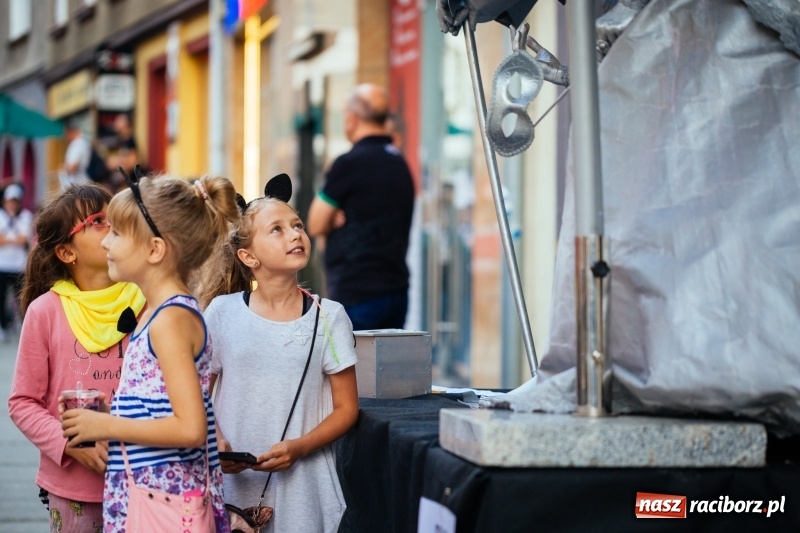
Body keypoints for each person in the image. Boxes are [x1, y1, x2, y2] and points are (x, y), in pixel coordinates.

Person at [60, 170, 240, 532]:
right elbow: (164, 407)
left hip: (166, 508)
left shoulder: (171, 320)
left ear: (155, 250)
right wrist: (115, 409)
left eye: (117, 233)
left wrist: (105, 423)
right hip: (152, 500)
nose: (106, 243)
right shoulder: (158, 314)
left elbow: (189, 428)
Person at [202, 174, 359, 533]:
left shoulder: (328, 316)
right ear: (248, 256)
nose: (295, 234)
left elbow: (347, 408)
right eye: (277, 229)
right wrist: (215, 439)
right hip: (229, 488)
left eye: (298, 225)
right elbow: (197, 392)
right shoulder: (221, 313)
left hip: (304, 491)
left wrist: (300, 447)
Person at [8, 183, 146, 531]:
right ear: (67, 253)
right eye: (98, 220)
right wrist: (69, 445)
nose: (113, 225)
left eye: (115, 217)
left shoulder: (148, 303)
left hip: (143, 480)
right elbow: (23, 402)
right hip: (74, 489)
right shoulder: (46, 312)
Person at [307, 83, 415, 330]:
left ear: (351, 119)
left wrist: (331, 214)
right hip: (396, 291)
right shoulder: (399, 163)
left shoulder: (349, 164)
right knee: (386, 367)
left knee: (352, 368)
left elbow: (314, 223)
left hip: (357, 292)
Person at [0, 183, 33, 340]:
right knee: (1, 297)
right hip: (2, 264)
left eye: (15, 201)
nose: (12, 204)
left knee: (21, 297)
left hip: (19, 265)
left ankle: (24, 327)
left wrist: (7, 239)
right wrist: (14, 239)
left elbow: (24, 239)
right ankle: (3, 326)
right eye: (10, 201)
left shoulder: (25, 215)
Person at [60, 120, 92, 190]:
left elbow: (73, 167)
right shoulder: (82, 142)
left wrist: (64, 168)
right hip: (80, 185)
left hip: (77, 186)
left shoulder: (78, 143)